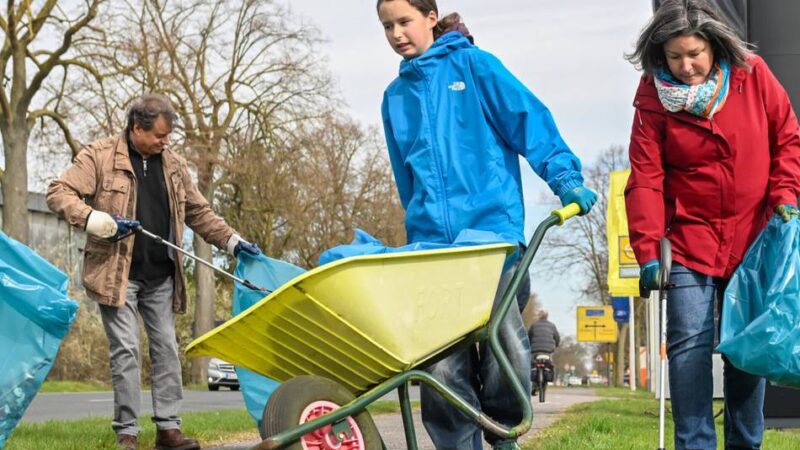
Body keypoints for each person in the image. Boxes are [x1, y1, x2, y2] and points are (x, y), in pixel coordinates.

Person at [376, 1, 597, 449]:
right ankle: (458, 444)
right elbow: (406, 177)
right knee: (440, 362)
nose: (397, 33)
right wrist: (417, 229)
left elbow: (529, 122)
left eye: (405, 21)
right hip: (434, 249)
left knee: (503, 344)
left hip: (493, 240)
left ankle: (501, 433)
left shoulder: (474, 68)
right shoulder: (394, 98)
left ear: (430, 18)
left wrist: (566, 179)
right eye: (387, 26)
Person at [624, 1, 800, 449]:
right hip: (689, 240)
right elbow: (645, 177)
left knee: (746, 349)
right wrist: (647, 249)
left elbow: (786, 137)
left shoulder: (752, 75)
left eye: (695, 53)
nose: (685, 66)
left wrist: (784, 194)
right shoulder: (652, 98)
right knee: (688, 346)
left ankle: (745, 443)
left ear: (714, 47)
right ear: (659, 56)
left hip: (753, 237)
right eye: (674, 56)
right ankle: (694, 443)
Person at [46, 94, 261, 450]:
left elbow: (199, 211)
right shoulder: (99, 156)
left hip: (161, 276)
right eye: (160, 135)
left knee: (165, 348)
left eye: (168, 135)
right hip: (117, 275)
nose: (166, 141)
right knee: (127, 349)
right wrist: (94, 219)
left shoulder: (173, 165)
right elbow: (59, 192)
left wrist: (233, 242)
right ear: (136, 128)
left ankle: (168, 430)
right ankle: (127, 433)